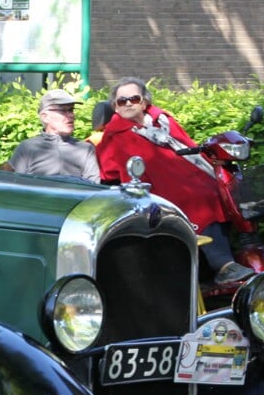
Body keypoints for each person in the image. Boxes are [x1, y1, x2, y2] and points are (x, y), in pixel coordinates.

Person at [95, 78, 254, 283]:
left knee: (220, 190)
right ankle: (223, 266)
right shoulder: (115, 134)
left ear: (144, 102)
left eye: (133, 99)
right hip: (153, 187)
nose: (127, 104)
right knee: (197, 199)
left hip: (187, 177)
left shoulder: (163, 121)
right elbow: (111, 171)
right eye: (121, 101)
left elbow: (189, 146)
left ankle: (221, 261)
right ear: (115, 107)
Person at [1, 88, 100, 182]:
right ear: (45, 117)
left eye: (71, 110)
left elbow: (94, 188)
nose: (71, 115)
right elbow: (14, 186)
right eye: (63, 110)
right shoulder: (28, 148)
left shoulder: (86, 149)